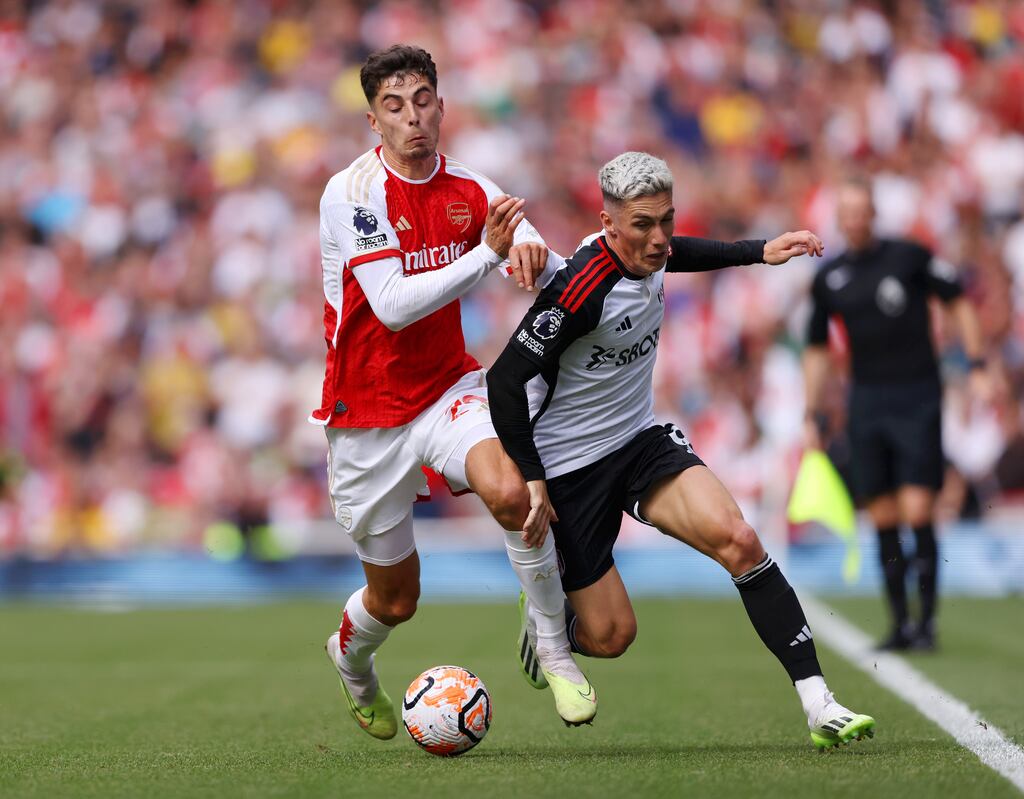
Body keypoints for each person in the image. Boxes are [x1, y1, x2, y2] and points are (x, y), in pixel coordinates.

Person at [487, 151, 875, 750]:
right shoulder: (577, 291)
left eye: (667, 220)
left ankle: (819, 702)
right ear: (608, 222)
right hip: (569, 469)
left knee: (740, 539)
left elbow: (678, 254)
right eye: (643, 224)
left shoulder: (655, 250)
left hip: (639, 441)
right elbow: (504, 381)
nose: (660, 237)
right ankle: (549, 619)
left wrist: (757, 250)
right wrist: (533, 479)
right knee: (613, 637)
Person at [315, 44, 594, 738]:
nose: (412, 118)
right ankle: (352, 665)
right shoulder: (350, 194)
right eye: (393, 106)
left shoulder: (470, 186)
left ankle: (556, 651)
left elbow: (524, 242)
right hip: (366, 412)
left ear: (441, 106)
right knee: (397, 599)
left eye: (422, 101)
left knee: (512, 491)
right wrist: (490, 255)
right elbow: (394, 304)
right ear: (373, 120)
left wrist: (539, 255)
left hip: (446, 388)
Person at [802, 178, 988, 651]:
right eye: (846, 212)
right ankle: (900, 623)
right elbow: (818, 349)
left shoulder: (909, 256)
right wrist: (812, 410)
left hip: (917, 394)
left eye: (862, 210)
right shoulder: (830, 277)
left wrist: (978, 362)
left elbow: (958, 300)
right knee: (883, 514)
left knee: (918, 508)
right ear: (839, 219)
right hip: (867, 401)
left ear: (873, 214)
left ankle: (927, 624)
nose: (855, 220)